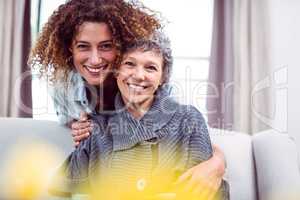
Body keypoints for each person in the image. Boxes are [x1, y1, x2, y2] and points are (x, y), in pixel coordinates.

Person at [29, 0, 226, 198]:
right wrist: (82, 127)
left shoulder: (164, 98)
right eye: (83, 46)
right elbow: (67, 180)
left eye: (106, 46)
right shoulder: (63, 88)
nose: (95, 59)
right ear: (70, 48)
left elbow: (183, 129)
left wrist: (217, 162)